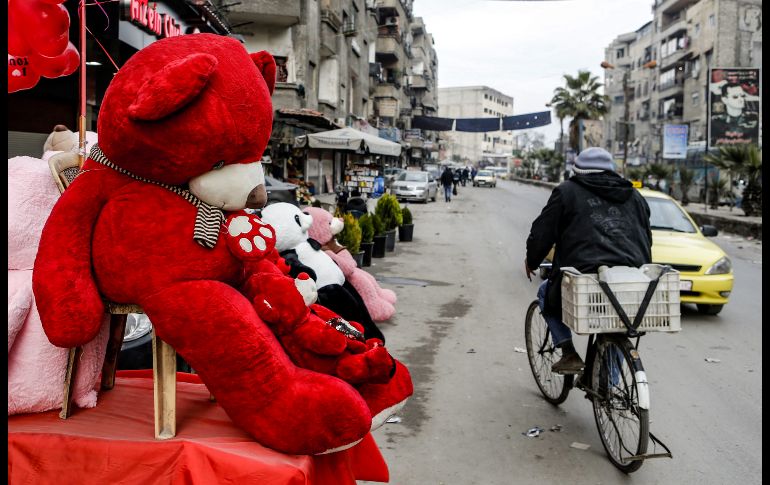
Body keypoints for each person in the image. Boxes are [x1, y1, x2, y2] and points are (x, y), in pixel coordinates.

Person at [524, 147, 653, 373]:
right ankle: (608, 389)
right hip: (629, 276)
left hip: (582, 273)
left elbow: (543, 232)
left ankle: (568, 353)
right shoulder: (635, 195)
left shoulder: (567, 191)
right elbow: (646, 237)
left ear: (578, 171)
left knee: (545, 293)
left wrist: (532, 260)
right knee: (620, 324)